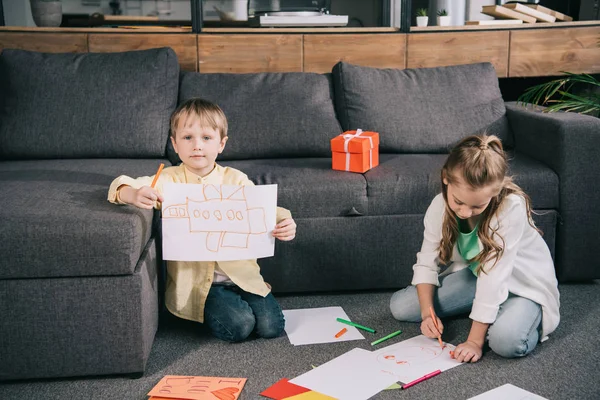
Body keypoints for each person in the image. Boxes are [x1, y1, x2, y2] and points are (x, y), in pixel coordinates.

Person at [107, 98, 297, 342]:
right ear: (175, 144)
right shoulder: (169, 180)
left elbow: (265, 209)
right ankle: (213, 309)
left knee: (272, 327)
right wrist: (132, 193)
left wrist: (285, 221)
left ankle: (246, 297)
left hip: (242, 277)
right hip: (202, 287)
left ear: (221, 144)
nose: (197, 146)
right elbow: (120, 185)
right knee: (240, 327)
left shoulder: (236, 179)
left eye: (206, 138)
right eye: (188, 138)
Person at [389, 134, 559, 362]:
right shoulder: (439, 206)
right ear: (445, 179)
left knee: (506, 342)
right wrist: (427, 314)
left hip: (519, 286)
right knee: (402, 307)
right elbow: (426, 262)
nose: (465, 212)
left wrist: (474, 342)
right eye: (458, 202)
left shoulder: (510, 208)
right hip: (476, 279)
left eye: (477, 205)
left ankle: (521, 314)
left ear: (495, 193)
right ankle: (490, 311)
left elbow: (494, 278)